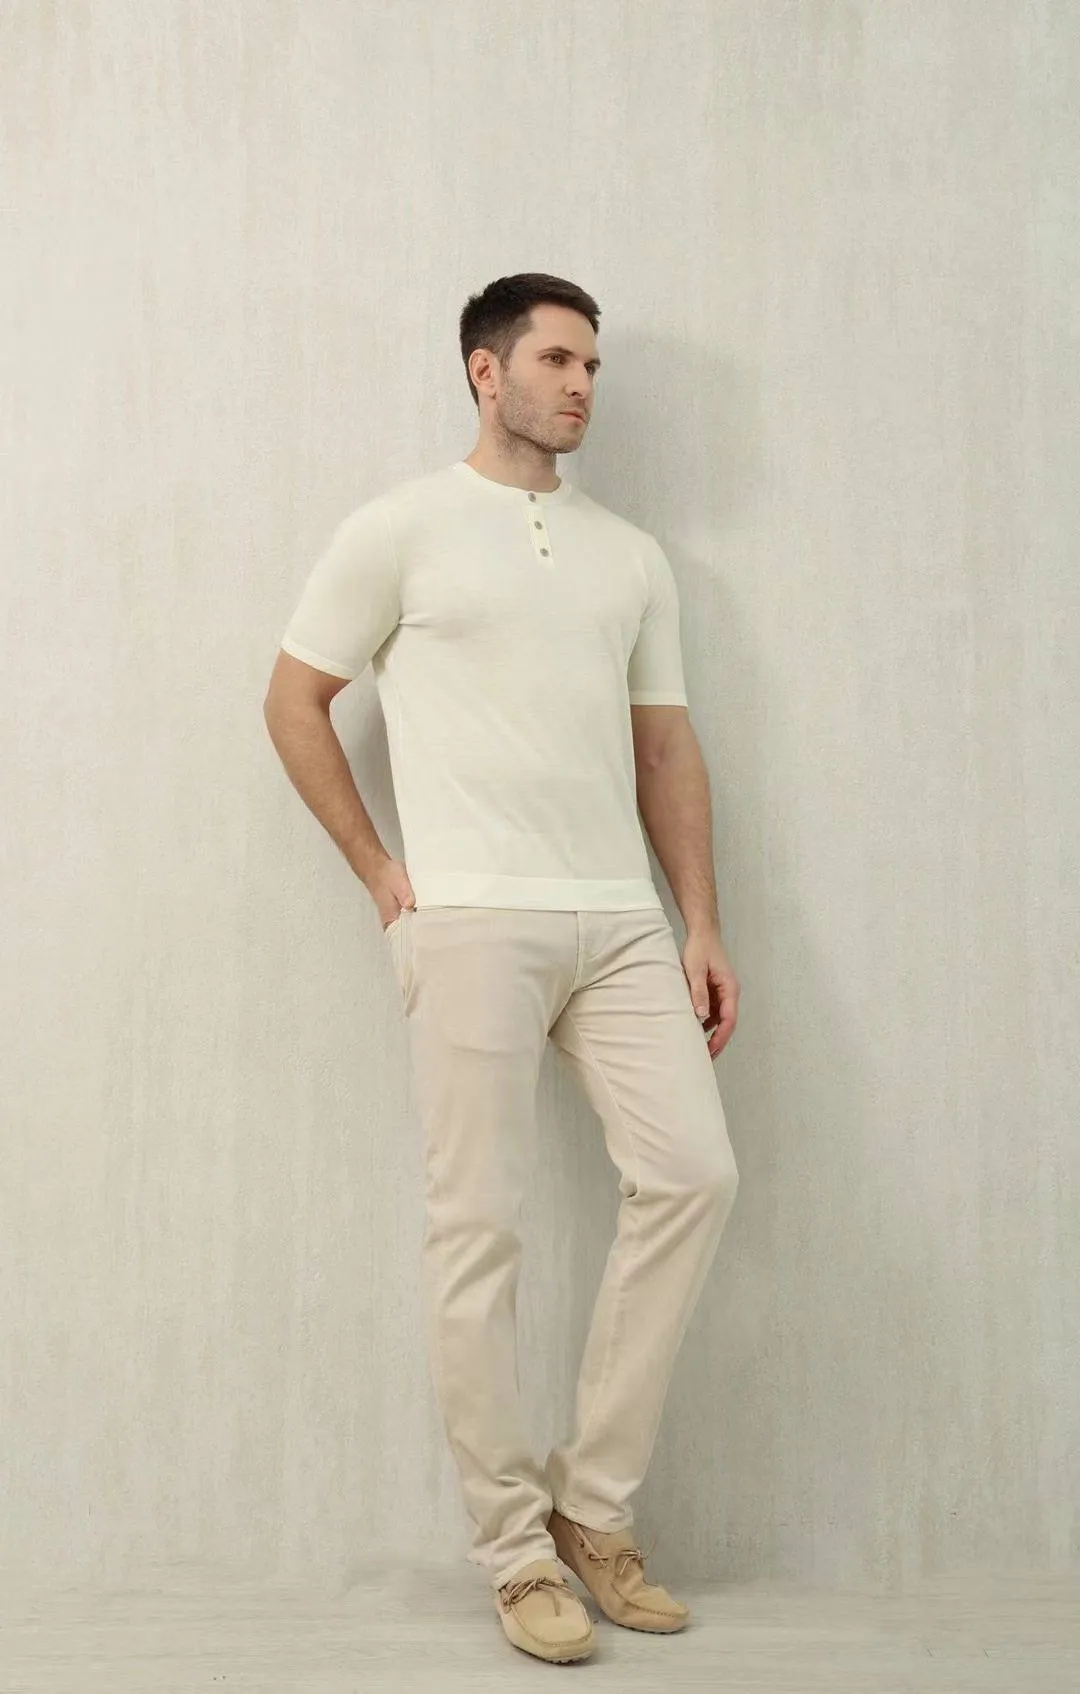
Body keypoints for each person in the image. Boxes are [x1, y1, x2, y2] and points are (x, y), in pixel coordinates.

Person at [263, 273, 740, 1665]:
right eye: (558, 360)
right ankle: (515, 1551)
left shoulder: (630, 556)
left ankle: (594, 1506)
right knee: (478, 1228)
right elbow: (295, 698)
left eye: (594, 365)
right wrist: (381, 872)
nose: (583, 385)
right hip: (470, 915)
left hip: (619, 919)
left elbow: (665, 745)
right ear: (488, 371)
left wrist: (700, 921)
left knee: (695, 1175)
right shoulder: (399, 529)